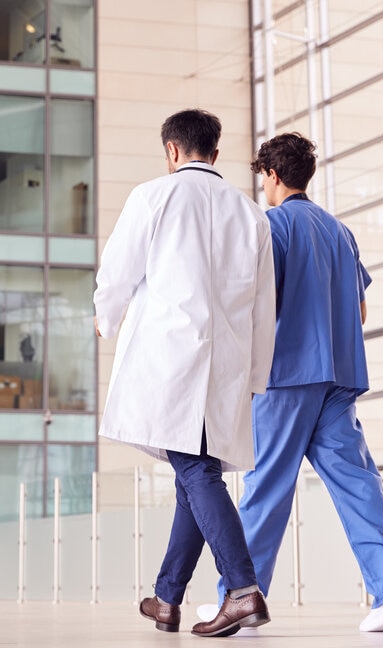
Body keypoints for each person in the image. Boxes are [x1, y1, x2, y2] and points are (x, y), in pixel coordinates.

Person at [198, 132, 383, 633]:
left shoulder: (272, 226)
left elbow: (256, 305)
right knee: (359, 487)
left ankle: (241, 598)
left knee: (266, 488)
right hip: (338, 379)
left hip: (287, 378)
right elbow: (359, 310)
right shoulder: (340, 232)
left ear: (271, 176)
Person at [94, 108, 277, 638]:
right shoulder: (251, 214)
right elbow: (266, 307)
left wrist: (105, 316)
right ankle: (168, 598)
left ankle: (242, 591)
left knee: (196, 473)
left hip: (170, 358)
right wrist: (256, 374)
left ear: (172, 151)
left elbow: (119, 267)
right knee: (193, 477)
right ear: (214, 154)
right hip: (226, 365)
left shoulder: (153, 196)